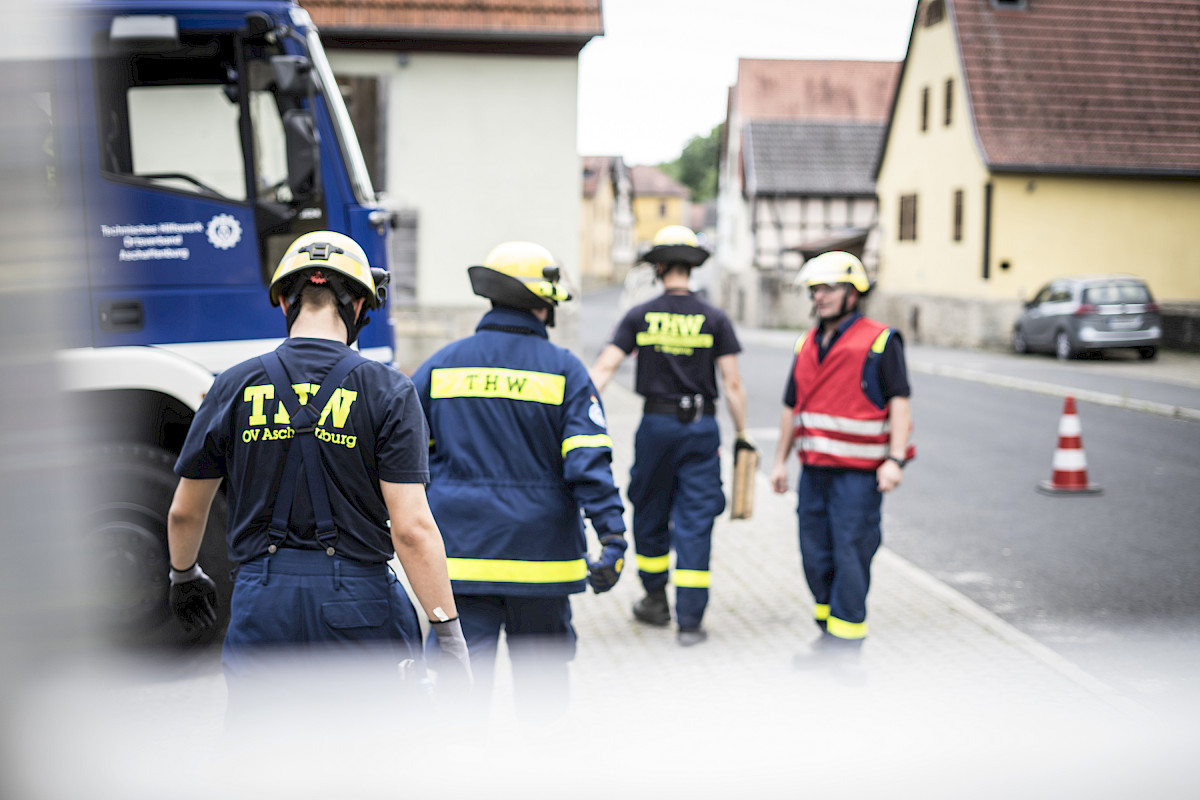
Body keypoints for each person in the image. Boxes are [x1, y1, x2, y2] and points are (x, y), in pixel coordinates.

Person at [166, 231, 470, 714]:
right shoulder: (389, 390)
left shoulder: (233, 385)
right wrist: (447, 632)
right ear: (358, 308)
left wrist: (184, 575)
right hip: (360, 602)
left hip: (262, 604)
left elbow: (185, 511)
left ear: (285, 301)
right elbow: (411, 528)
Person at [410, 241, 627, 721]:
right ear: (543, 302)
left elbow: (406, 464)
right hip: (542, 567)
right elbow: (588, 461)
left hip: (460, 564)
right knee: (543, 699)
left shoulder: (441, 366)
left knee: (456, 694)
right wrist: (611, 535)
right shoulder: (565, 370)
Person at [590, 225, 750, 647]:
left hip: (655, 427)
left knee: (649, 507)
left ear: (659, 268)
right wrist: (743, 436)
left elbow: (604, 369)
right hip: (702, 429)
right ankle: (692, 623)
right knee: (696, 519)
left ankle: (655, 600)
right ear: (691, 268)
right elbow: (733, 384)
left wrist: (577, 416)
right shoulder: (714, 317)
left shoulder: (640, 314)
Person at [768, 251, 914, 669]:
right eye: (815, 290)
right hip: (813, 472)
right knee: (815, 555)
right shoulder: (806, 343)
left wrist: (896, 460)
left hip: (859, 477)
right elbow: (791, 408)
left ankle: (846, 651)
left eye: (829, 288)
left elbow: (900, 403)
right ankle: (828, 634)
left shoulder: (882, 340)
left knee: (850, 554)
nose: (820, 296)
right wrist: (779, 462)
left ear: (853, 292)